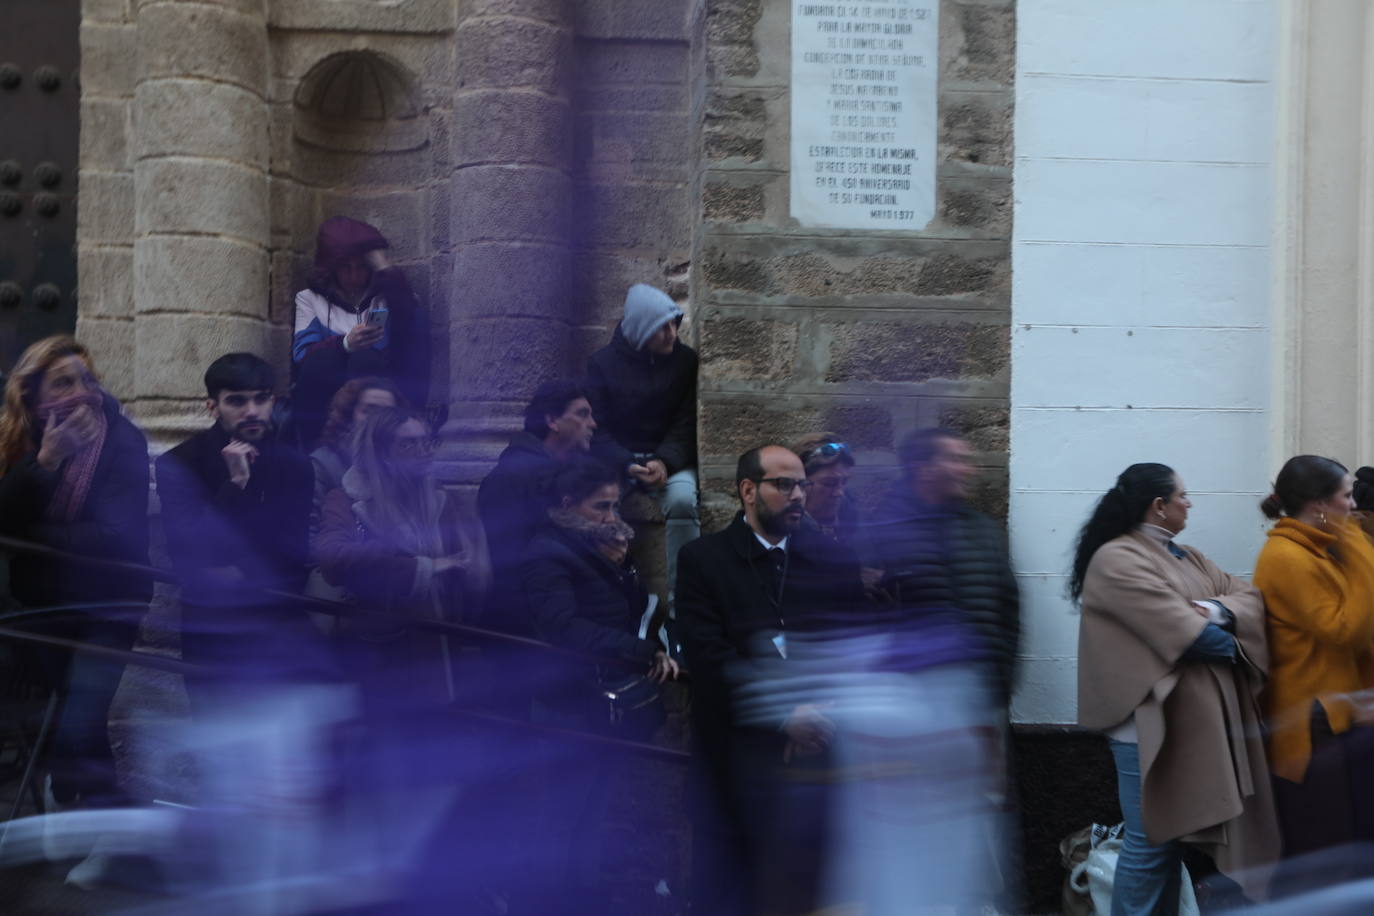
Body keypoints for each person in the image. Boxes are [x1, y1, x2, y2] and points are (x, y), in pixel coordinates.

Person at [1073, 463, 1278, 913]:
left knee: (1166, 843)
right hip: (1144, 729)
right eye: (1183, 496)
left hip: (1188, 722)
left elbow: (1249, 599)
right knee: (1150, 841)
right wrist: (1224, 631)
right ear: (1158, 506)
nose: (1189, 503)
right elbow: (1198, 639)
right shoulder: (1117, 559)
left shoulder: (1187, 555)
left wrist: (1211, 608)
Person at [677, 445, 866, 916]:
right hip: (736, 760)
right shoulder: (704, 559)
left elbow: (850, 643)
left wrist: (823, 712)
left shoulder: (830, 558)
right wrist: (785, 713)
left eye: (802, 484)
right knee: (728, 890)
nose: (798, 494)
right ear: (747, 490)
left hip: (813, 763)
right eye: (784, 484)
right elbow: (709, 655)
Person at [0, 336, 151, 881]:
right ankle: (81, 815)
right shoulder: (19, 437)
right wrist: (47, 461)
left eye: (86, 379)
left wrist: (34, 534)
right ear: (32, 391)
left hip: (109, 604)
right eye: (63, 382)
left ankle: (107, 828)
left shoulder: (122, 441)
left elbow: (116, 536)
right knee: (60, 718)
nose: (81, 393)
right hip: (42, 605)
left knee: (81, 719)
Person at [520, 458, 678, 914]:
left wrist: (623, 568)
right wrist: (642, 652)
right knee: (562, 818)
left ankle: (579, 899)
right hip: (568, 702)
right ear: (568, 506)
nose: (612, 518)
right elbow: (564, 629)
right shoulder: (547, 553)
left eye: (615, 507)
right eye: (601, 508)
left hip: (596, 701)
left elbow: (627, 611)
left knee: (591, 813)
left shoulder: (592, 547)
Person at [156, 353, 330, 702]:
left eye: (261, 398)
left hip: (277, 626)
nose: (252, 410)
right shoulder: (179, 463)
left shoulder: (295, 466)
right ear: (213, 406)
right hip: (210, 628)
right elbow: (187, 554)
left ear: (272, 402)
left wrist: (232, 569)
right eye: (237, 401)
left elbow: (292, 554)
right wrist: (234, 484)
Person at [1253, 456, 1374, 887]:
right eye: (1346, 494)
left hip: (1337, 712)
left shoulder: (1316, 548)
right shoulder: (1286, 555)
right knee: (1316, 852)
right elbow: (1343, 630)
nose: (1353, 503)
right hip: (1308, 722)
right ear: (1321, 505)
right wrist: (1360, 547)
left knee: (1337, 848)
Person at [314, 406, 489, 705]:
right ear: (380, 452)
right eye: (408, 443)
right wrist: (419, 565)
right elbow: (332, 557)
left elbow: (471, 571)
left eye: (426, 441)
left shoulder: (441, 498)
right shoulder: (347, 499)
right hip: (379, 650)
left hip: (438, 646)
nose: (423, 451)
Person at [865, 428, 1019, 705]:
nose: (968, 470)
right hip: (911, 698)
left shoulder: (982, 530)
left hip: (981, 694)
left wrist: (1001, 681)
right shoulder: (882, 530)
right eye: (956, 459)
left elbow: (1007, 607)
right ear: (923, 469)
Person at [585, 284, 699, 607]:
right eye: (661, 327)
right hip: (618, 462)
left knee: (683, 502)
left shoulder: (685, 361)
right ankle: (610, 599)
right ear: (640, 329)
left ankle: (684, 603)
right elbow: (597, 427)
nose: (672, 334)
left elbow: (686, 420)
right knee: (600, 508)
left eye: (674, 324)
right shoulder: (602, 365)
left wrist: (665, 461)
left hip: (668, 462)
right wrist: (625, 463)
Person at [291, 216, 430, 449]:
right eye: (346, 268)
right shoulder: (309, 299)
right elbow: (302, 356)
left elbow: (410, 329)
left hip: (381, 392)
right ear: (332, 268)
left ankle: (389, 435)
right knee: (338, 357)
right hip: (328, 399)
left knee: (369, 356)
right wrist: (345, 344)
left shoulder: (390, 296)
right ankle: (321, 447)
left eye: (361, 268)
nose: (354, 277)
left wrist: (383, 265)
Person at [477, 379, 596, 634]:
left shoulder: (572, 475)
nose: (592, 424)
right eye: (583, 414)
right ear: (552, 421)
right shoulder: (510, 479)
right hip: (532, 632)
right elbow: (509, 563)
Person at [308, 376, 407, 537]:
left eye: (387, 413)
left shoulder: (404, 462)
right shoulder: (323, 464)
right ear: (350, 415)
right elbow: (310, 531)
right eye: (369, 411)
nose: (377, 419)